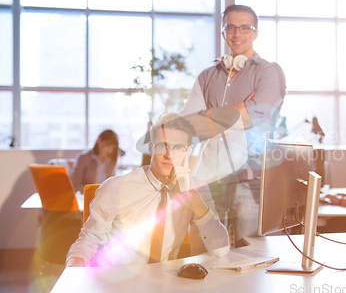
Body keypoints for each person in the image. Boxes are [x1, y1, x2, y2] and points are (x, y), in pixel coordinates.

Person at [181, 4, 286, 247]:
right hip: (207, 179)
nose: (237, 34)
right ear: (223, 32)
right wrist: (240, 108)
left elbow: (259, 116)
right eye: (231, 27)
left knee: (252, 256)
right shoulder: (207, 77)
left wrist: (208, 116)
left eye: (244, 28)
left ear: (255, 33)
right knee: (203, 255)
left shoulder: (269, 73)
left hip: (249, 180)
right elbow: (188, 125)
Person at [66, 113, 229, 267]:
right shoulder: (117, 187)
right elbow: (89, 241)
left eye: (178, 148)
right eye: (163, 146)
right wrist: (75, 268)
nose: (169, 155)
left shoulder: (196, 188)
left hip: (163, 284)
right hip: (117, 282)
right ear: (150, 149)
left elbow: (220, 249)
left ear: (187, 152)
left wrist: (192, 197)